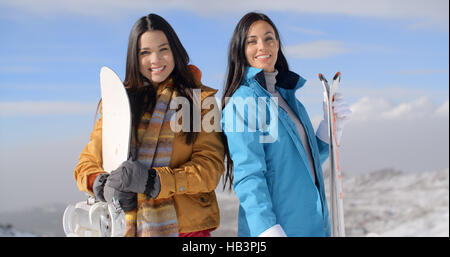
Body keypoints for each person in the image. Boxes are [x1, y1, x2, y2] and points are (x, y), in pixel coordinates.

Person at [74, 13, 224, 237]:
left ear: (175, 51)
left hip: (186, 232)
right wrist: (104, 184)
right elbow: (86, 164)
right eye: (145, 52)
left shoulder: (198, 101)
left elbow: (209, 169)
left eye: (163, 49)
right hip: (125, 227)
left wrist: (152, 182)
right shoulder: (119, 103)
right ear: (135, 57)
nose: (156, 60)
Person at [221, 12, 352, 237]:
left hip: (312, 224)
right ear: (241, 49)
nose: (262, 46)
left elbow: (300, 162)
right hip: (279, 227)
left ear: (278, 44)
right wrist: (266, 228)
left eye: (269, 38)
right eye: (252, 41)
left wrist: (330, 128)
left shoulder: (290, 99)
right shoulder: (243, 101)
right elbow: (249, 174)